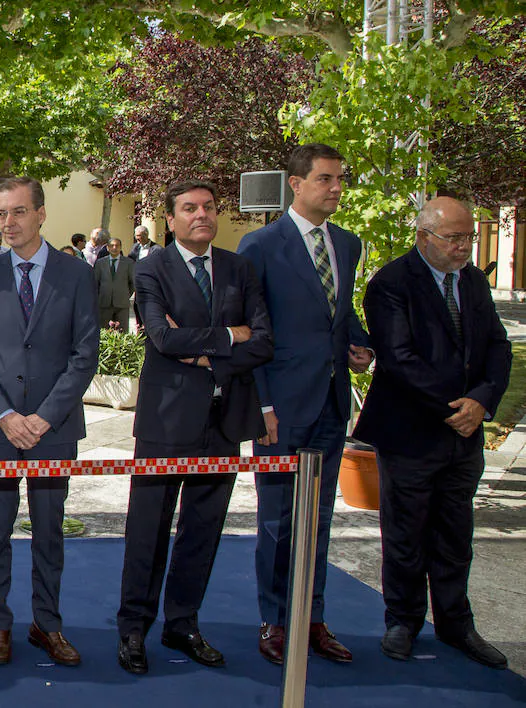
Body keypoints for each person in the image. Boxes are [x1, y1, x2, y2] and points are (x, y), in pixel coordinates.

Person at [116, 180, 273, 675]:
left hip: (224, 421)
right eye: (189, 208)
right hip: (166, 422)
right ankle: (133, 629)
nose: (201, 214)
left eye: (208, 207)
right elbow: (163, 337)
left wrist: (207, 356)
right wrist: (229, 336)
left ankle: (182, 623)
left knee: (202, 530)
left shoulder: (239, 268)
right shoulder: (150, 268)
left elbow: (265, 340)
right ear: (171, 219)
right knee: (148, 529)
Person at [354, 197, 511, 669]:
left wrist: (482, 400)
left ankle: (456, 623)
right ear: (424, 237)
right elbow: (400, 360)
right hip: (410, 432)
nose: (464, 247)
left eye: (469, 237)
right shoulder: (391, 283)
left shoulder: (474, 280)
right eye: (454, 238)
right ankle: (403, 620)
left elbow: (498, 346)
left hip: (463, 436)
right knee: (405, 533)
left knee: (455, 533)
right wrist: (456, 406)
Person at [237, 143, 372, 665]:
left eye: (340, 179)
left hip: (331, 405)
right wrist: (263, 406)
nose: (336, 187)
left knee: (318, 520)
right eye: (325, 179)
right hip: (280, 410)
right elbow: (256, 335)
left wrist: (359, 345)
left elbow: (339, 316)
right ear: (296, 184)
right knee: (277, 520)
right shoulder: (260, 246)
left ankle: (312, 618)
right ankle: (275, 620)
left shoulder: (348, 244)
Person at [0, 176, 99, 667]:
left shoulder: (77, 274)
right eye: (1, 214)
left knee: (49, 531)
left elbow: (85, 355)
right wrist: (4, 415)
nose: (8, 223)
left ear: (41, 214)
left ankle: (48, 625)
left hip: (53, 429)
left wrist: (42, 418)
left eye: (18, 212)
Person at [94, 237, 135, 329]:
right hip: (104, 302)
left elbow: (132, 283)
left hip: (122, 302)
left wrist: (126, 294)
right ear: (108, 248)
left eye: (117, 246)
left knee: (122, 330)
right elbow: (96, 282)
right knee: (103, 330)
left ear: (120, 248)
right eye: (112, 246)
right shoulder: (100, 263)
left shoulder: (129, 263)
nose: (114, 248)